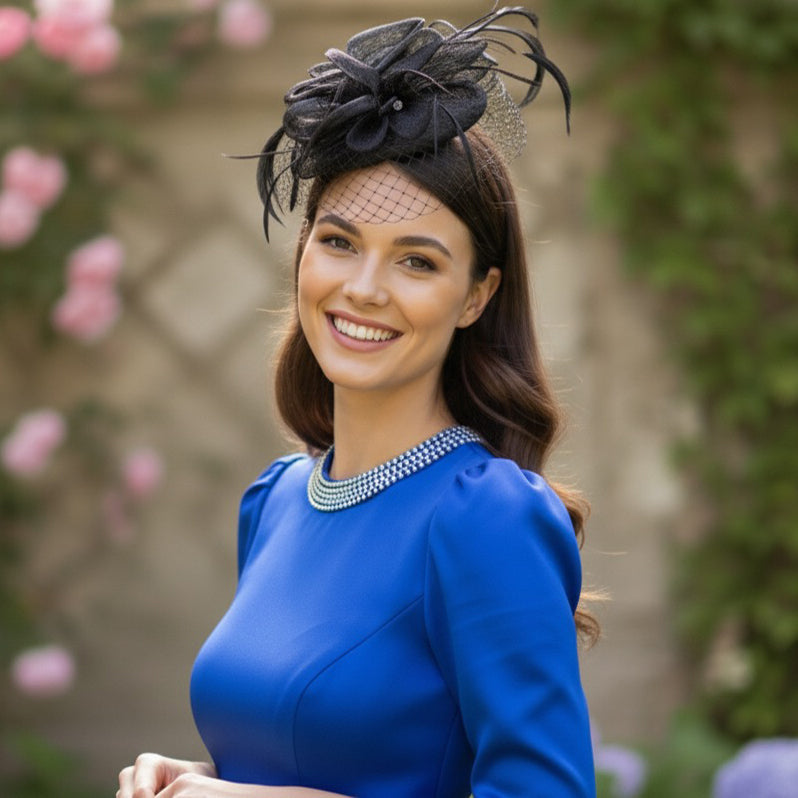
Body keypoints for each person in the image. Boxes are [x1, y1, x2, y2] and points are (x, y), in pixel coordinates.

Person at [118, 7, 599, 798]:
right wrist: (194, 780)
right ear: (303, 252)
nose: (364, 290)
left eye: (417, 261)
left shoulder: (486, 518)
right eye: (339, 241)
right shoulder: (272, 501)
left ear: (477, 296)